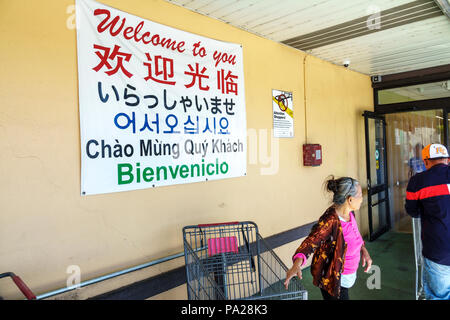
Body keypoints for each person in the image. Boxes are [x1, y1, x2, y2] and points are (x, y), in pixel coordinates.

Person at [284, 176, 372, 300]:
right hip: (332, 278)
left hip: (346, 277)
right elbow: (311, 242)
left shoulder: (350, 214)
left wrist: (363, 250)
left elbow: (355, 237)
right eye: (359, 195)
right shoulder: (330, 221)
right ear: (350, 199)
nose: (362, 198)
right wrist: (296, 265)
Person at [405, 143, 450, 300]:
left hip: (438, 250)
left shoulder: (418, 181)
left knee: (439, 295)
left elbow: (412, 211)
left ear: (425, 162)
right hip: (439, 250)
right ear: (448, 160)